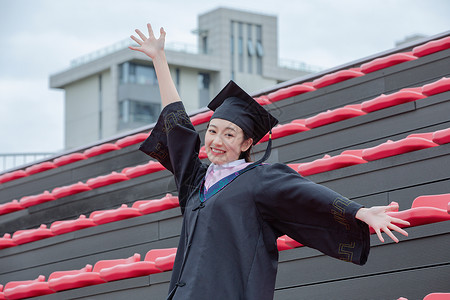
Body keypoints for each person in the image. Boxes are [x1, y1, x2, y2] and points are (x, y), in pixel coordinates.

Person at [130, 24, 410, 300]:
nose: (216, 141)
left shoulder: (260, 180)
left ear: (247, 143)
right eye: (213, 131)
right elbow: (178, 128)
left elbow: (308, 196)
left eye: (229, 134)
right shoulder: (195, 181)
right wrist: (160, 60)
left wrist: (359, 212)